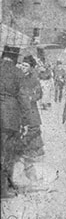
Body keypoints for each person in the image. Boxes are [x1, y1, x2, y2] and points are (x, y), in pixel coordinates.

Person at [0, 53, 31, 199]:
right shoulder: (17, 72)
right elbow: (24, 98)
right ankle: (3, 188)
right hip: (9, 117)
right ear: (15, 58)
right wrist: (25, 121)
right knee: (7, 152)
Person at [18, 59, 46, 182]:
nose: (23, 67)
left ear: (30, 68)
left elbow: (39, 94)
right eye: (23, 65)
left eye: (26, 66)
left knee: (32, 140)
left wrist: (31, 98)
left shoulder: (34, 79)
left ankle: (33, 173)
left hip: (31, 112)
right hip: (19, 111)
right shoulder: (17, 77)